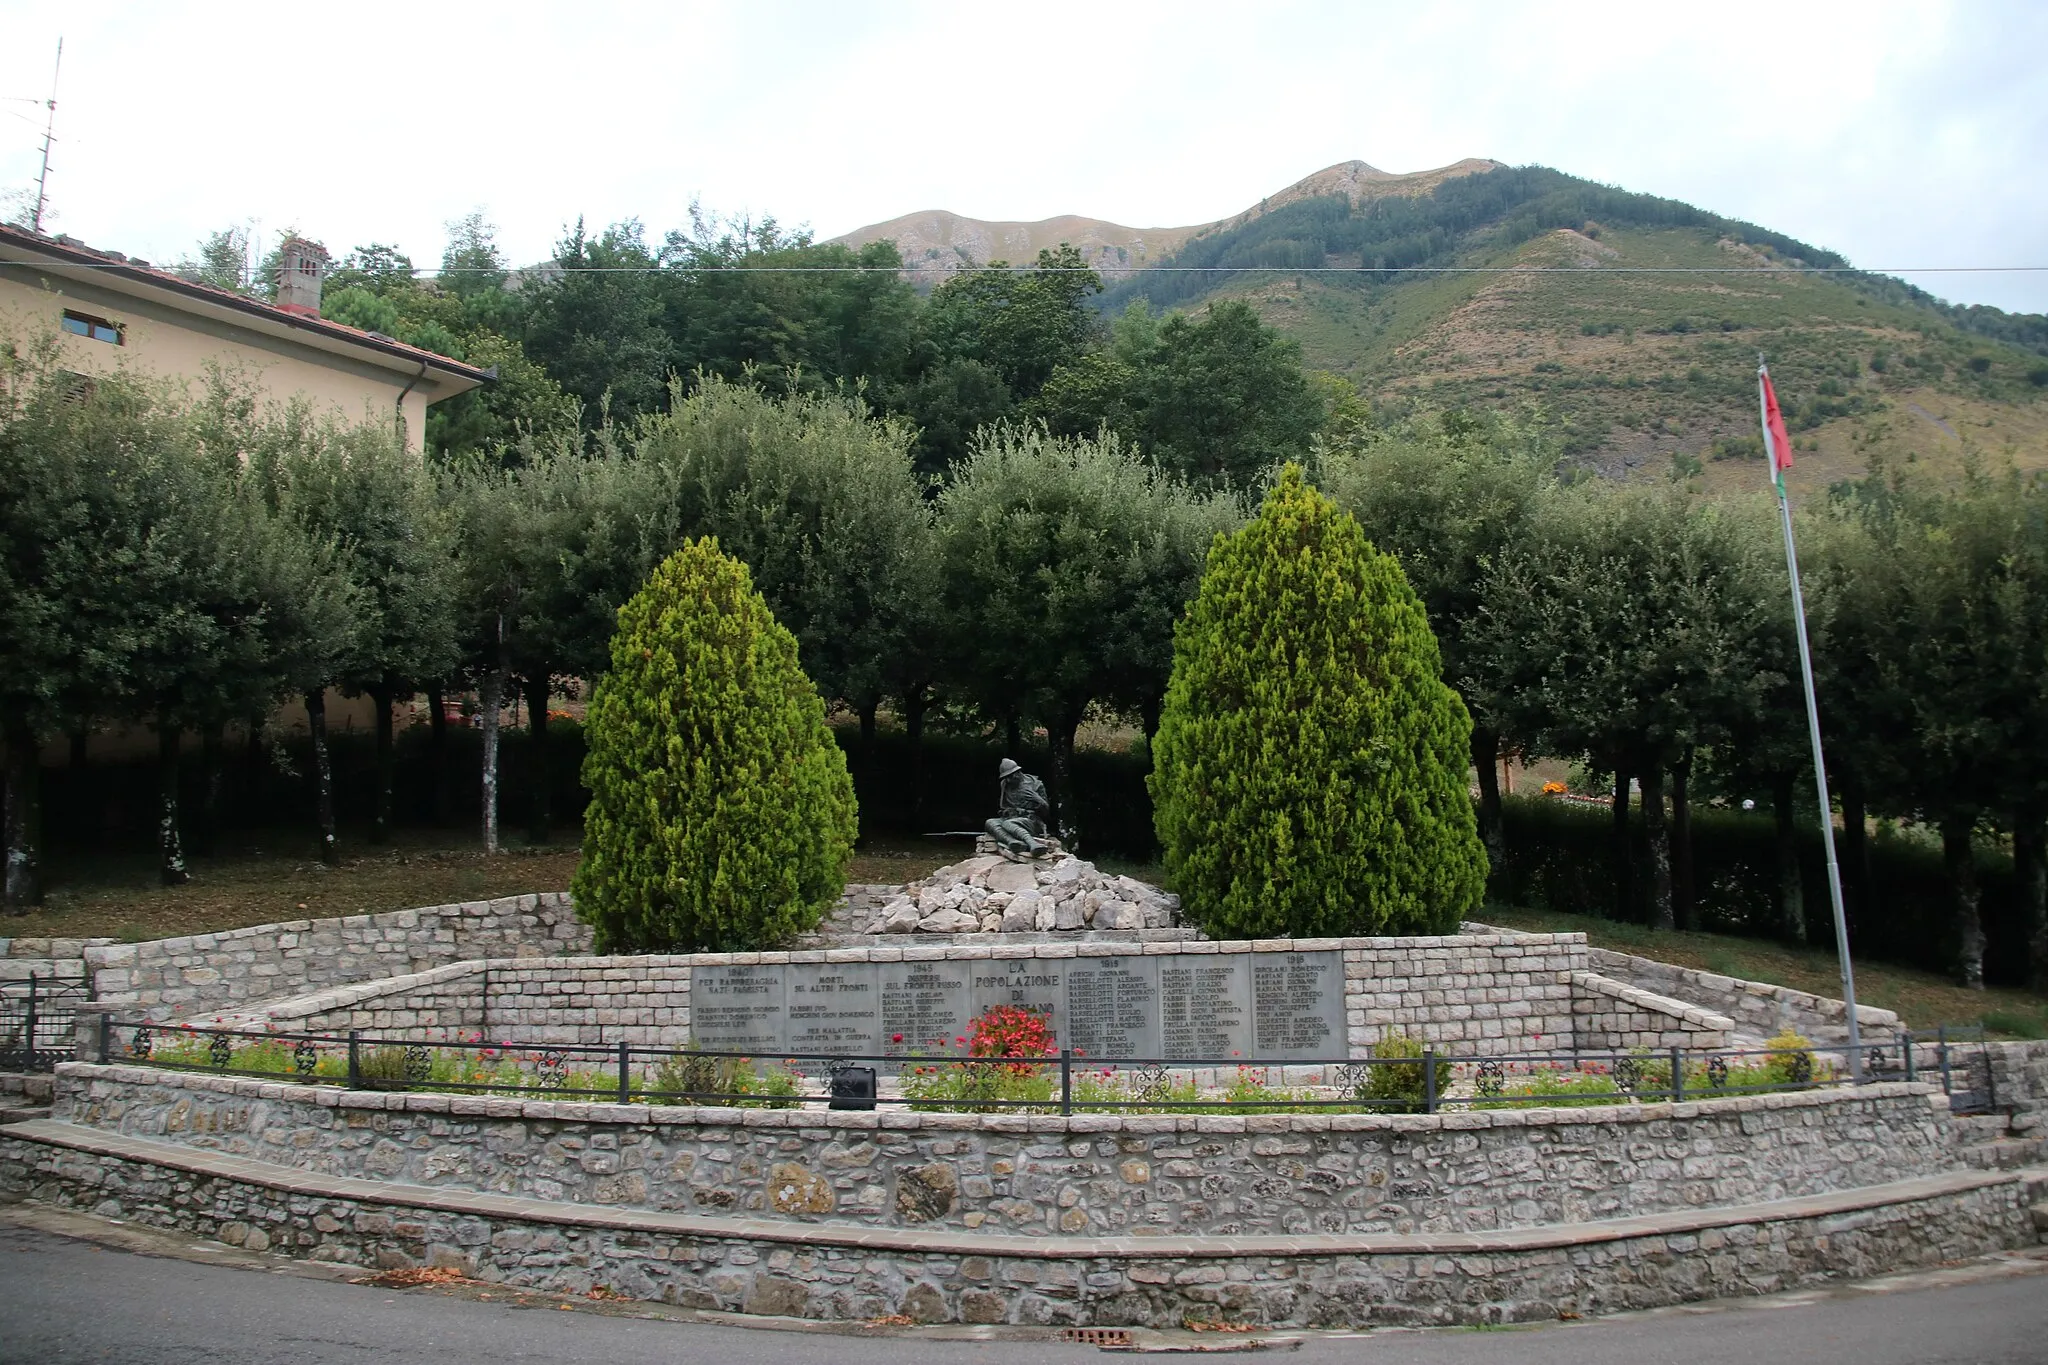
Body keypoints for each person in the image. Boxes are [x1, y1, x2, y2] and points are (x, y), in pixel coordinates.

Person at [984, 758, 1050, 860]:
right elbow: (1004, 806)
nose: (1009, 780)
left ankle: (1033, 844)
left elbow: (1046, 812)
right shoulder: (1005, 784)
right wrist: (1005, 811)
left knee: (1007, 824)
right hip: (1011, 818)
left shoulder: (1035, 784)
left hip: (1031, 821)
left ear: (1018, 773)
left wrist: (1037, 799)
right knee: (990, 822)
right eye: (1006, 777)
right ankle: (1012, 842)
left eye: (1010, 776)